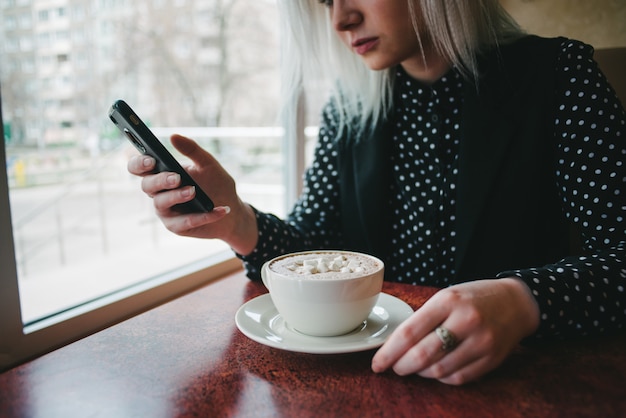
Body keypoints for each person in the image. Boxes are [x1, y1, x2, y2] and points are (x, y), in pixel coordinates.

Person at [127, 0, 625, 385]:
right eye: (325, 0)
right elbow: (318, 252)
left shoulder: (559, 77)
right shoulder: (350, 108)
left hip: (512, 384)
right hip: (372, 381)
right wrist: (238, 223)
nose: (340, 19)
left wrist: (524, 301)